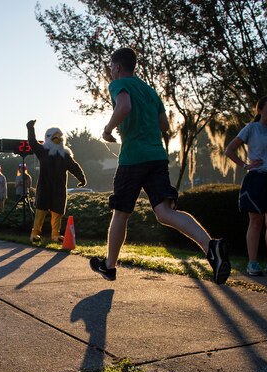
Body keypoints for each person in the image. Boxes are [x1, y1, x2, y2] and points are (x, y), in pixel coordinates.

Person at [92, 47, 231, 284]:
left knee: (121, 212)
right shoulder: (149, 91)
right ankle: (210, 246)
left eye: (111, 66)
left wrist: (107, 129)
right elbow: (164, 125)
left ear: (116, 66)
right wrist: (137, 123)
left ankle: (109, 266)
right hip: (157, 156)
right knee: (165, 212)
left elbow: (124, 107)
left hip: (134, 157)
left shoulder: (117, 84)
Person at [224, 95, 267, 277]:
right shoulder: (251, 128)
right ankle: (253, 263)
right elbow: (229, 150)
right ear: (260, 110)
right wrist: (245, 165)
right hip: (256, 179)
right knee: (255, 221)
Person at [26, 120, 86, 242]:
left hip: (59, 189)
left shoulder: (65, 156)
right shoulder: (43, 152)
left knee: (57, 211)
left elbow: (74, 167)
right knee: (40, 211)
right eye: (53, 136)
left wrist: (82, 178)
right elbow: (32, 142)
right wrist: (30, 128)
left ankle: (55, 235)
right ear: (47, 139)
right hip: (44, 187)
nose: (57, 138)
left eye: (59, 135)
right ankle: (35, 233)